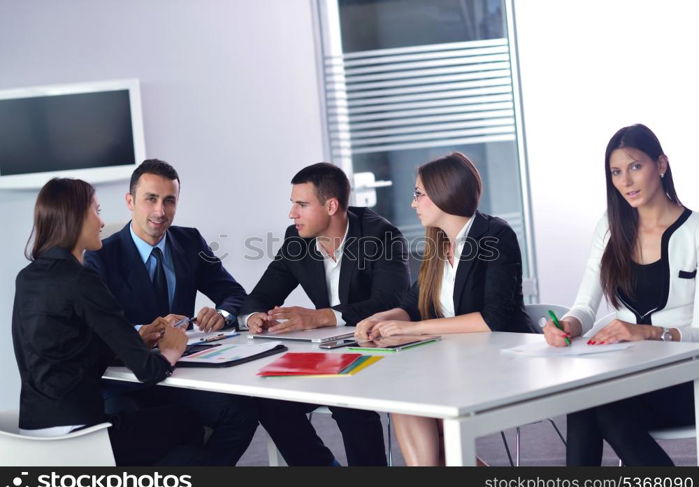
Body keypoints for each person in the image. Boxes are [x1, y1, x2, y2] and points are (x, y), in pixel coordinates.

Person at [355, 152, 535, 466]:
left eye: (418, 194)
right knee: (404, 395)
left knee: (415, 398)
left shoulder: (495, 235)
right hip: (454, 363)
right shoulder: (438, 243)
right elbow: (413, 306)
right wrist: (378, 319)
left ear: (444, 193)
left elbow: (494, 319)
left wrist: (413, 329)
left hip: (502, 363)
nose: (413, 203)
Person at [12, 178, 207, 465]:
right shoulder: (81, 280)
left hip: (34, 432)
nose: (101, 222)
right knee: (188, 421)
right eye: (97, 210)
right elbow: (150, 371)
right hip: (83, 436)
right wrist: (173, 348)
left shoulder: (27, 278)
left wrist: (134, 340)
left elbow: (64, 350)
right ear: (75, 217)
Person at [542, 124, 697, 466]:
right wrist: (567, 325)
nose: (625, 181)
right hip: (627, 375)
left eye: (635, 167)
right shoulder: (610, 226)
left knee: (604, 407)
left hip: (686, 379)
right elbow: (585, 305)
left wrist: (652, 332)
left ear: (661, 165)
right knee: (584, 400)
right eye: (616, 172)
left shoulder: (696, 232)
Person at [84, 159, 256, 465]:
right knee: (147, 439)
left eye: (169, 201)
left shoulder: (189, 241)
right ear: (130, 201)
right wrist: (143, 331)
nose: (160, 212)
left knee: (241, 413)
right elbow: (99, 330)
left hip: (183, 375)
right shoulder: (100, 256)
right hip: (128, 380)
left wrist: (223, 315)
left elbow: (233, 294)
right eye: (151, 199)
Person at [240, 162, 410, 465]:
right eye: (293, 204)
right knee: (267, 397)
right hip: (326, 355)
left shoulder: (381, 235)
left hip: (375, 351)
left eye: (301, 204)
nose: (292, 213)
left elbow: (391, 301)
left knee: (348, 401)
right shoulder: (297, 239)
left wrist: (320, 316)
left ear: (331, 205)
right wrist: (254, 316)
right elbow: (261, 295)